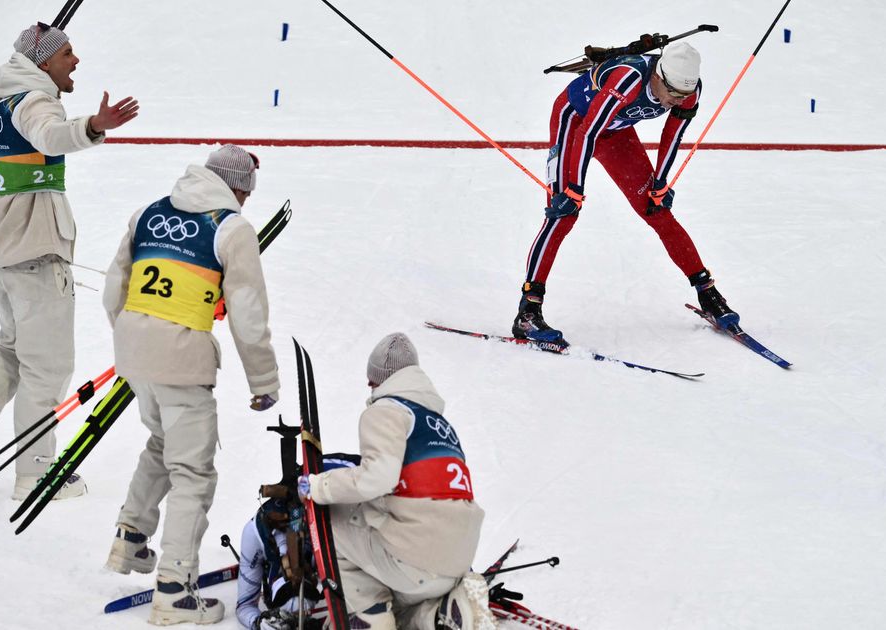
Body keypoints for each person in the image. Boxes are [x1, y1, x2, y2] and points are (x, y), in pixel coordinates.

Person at [0, 22, 139, 500]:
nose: (75, 61)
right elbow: (51, 136)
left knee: (12, 351)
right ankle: (36, 474)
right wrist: (94, 126)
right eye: (67, 53)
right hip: (35, 251)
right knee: (48, 366)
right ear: (44, 62)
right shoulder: (36, 100)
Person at [102, 145, 281, 626]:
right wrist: (264, 380)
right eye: (246, 192)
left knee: (163, 443)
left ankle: (130, 538)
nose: (245, 201)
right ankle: (175, 589)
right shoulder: (232, 228)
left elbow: (114, 286)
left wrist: (134, 338)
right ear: (237, 187)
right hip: (180, 359)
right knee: (193, 473)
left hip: (134, 350)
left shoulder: (147, 213)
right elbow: (248, 312)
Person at [513, 41, 739, 346]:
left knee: (657, 210)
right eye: (672, 93)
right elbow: (588, 132)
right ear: (657, 76)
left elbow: (673, 134)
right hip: (575, 122)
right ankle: (528, 312)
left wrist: (661, 182)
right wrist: (574, 188)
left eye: (682, 96)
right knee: (563, 212)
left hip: (615, 131)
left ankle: (708, 294)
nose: (676, 101)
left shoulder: (689, 91)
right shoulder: (628, 79)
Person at [298, 333, 494, 630]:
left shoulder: (386, 411)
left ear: (375, 380)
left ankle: (369, 616)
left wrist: (318, 487)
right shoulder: (439, 425)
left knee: (328, 523)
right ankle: (439, 614)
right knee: (398, 601)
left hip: (416, 561)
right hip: (457, 560)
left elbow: (377, 477)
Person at [236, 454, 360, 630]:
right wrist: (260, 622)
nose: (302, 614)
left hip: (343, 482)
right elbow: (244, 606)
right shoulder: (255, 532)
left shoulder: (256, 535)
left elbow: (245, 606)